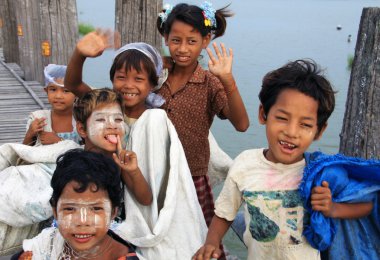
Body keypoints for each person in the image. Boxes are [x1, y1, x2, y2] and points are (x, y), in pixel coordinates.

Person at [192, 59, 376, 260]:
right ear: (263, 114)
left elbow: (368, 205)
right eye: (282, 118)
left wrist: (332, 208)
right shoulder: (245, 164)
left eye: (305, 125)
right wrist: (211, 242)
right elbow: (225, 213)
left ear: (319, 131)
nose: (291, 132)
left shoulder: (320, 173)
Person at [64, 33, 208, 259]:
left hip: (133, 195)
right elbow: (71, 84)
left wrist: (129, 169)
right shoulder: (106, 104)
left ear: (153, 84)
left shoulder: (154, 121)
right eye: (121, 77)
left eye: (138, 79)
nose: (128, 86)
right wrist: (80, 54)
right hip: (101, 189)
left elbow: (150, 190)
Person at [156, 1, 249, 232]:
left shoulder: (210, 83)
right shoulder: (155, 75)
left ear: (205, 41)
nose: (183, 49)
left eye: (192, 41)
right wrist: (154, 65)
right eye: (176, 40)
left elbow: (242, 124)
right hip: (154, 172)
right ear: (165, 37)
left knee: (196, 236)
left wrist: (228, 80)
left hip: (193, 175)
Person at [12, 149, 140, 259]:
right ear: (56, 211)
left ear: (113, 212)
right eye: (70, 209)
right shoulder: (41, 249)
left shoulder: (123, 257)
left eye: (96, 208)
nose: (82, 221)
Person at [73, 88, 152, 206]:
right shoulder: (75, 164)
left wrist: (134, 171)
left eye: (118, 119)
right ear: (82, 129)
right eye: (100, 119)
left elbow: (146, 200)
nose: (112, 125)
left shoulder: (120, 161)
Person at [23, 64, 80, 146]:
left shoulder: (82, 119)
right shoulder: (38, 119)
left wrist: (59, 141)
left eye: (66, 91)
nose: (58, 96)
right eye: (53, 89)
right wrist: (30, 134)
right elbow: (24, 151)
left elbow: (89, 151)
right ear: (46, 91)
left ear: (77, 93)